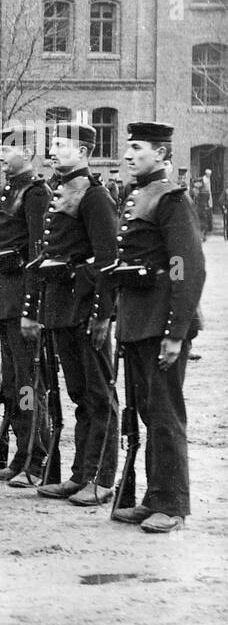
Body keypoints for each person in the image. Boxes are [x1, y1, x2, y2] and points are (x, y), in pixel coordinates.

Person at [108, 122, 205, 534]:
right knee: (146, 413)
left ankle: (173, 504)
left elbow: (187, 267)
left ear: (162, 155)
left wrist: (177, 331)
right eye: (128, 148)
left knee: (165, 415)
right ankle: (152, 499)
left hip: (161, 324)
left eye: (138, 148)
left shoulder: (171, 199)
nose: (129, 155)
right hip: (137, 322)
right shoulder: (138, 196)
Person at [21, 123, 118, 506]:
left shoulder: (95, 197)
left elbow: (109, 260)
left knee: (99, 395)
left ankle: (103, 478)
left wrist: (102, 316)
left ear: (84, 151)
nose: (54, 150)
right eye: (53, 144)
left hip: (85, 309)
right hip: (61, 308)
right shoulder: (61, 191)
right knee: (79, 395)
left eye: (63, 145)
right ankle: (81, 475)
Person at [0, 127, 51, 486]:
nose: (2, 155)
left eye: (8, 150)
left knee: (28, 382)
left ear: (28, 152)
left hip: (22, 296)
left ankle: (35, 461)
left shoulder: (36, 193)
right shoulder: (12, 190)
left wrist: (32, 308)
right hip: (4, 295)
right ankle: (19, 457)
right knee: (12, 381)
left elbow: (39, 253)